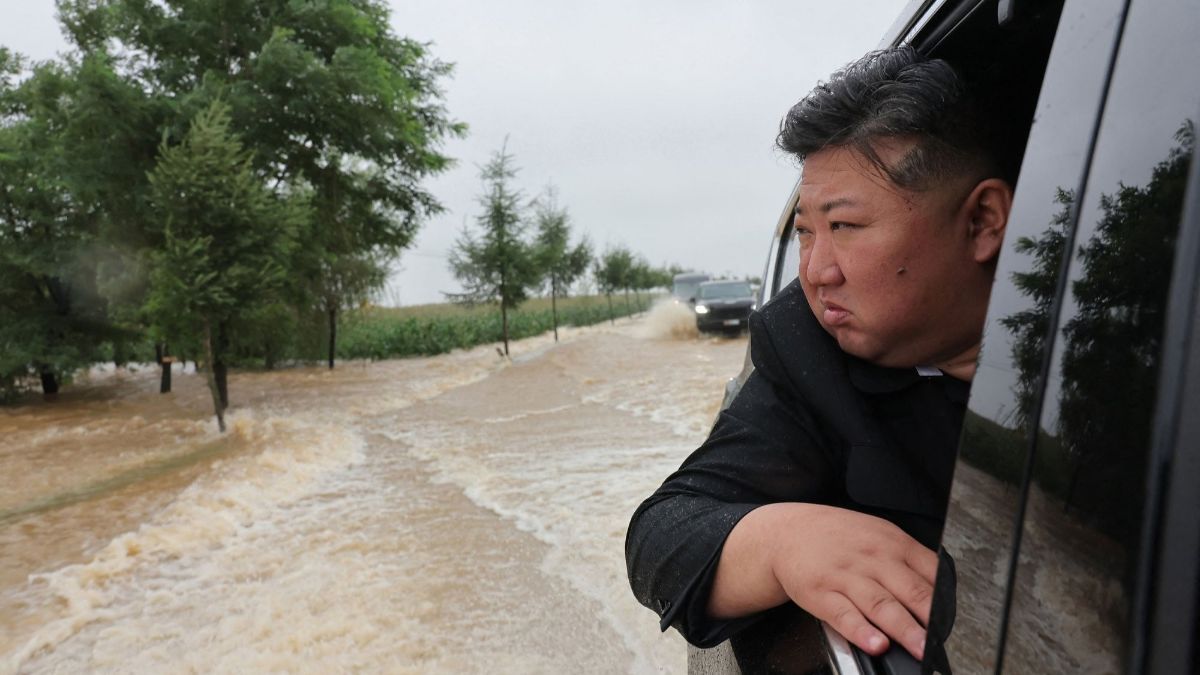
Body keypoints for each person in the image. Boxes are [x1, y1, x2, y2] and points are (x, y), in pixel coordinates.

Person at [625, 46, 1014, 664]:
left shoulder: (1122, 358)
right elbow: (661, 537)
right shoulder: (807, 349)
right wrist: (780, 542)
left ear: (983, 222)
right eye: (805, 232)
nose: (814, 272)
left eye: (846, 227)